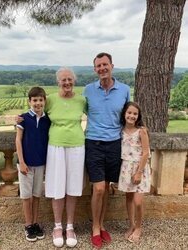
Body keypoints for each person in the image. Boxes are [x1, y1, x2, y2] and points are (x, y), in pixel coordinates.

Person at [83, 52, 130, 248]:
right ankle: (95, 227)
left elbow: (128, 115)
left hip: (115, 143)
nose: (102, 68)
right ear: (95, 69)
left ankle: (102, 225)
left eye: (105, 65)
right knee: (99, 187)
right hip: (93, 143)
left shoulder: (124, 90)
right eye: (98, 66)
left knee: (108, 186)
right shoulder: (87, 90)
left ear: (112, 66)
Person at [45, 67, 86, 248]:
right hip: (55, 147)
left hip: (77, 146)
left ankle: (69, 226)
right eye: (63, 80)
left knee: (72, 187)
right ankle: (57, 226)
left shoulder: (82, 100)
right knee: (56, 187)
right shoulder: (50, 100)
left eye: (70, 79)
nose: (67, 82)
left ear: (74, 81)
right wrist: (19, 120)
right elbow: (35, 113)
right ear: (58, 82)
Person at [15, 86, 51, 242]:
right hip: (26, 164)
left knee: (37, 195)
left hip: (40, 164)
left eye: (40, 100)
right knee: (26, 196)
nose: (37, 103)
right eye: (34, 100)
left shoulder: (47, 120)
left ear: (44, 101)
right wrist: (22, 162)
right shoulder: (23, 118)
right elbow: (18, 140)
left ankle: (36, 223)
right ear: (29, 101)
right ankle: (28, 224)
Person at [118, 101, 151, 243]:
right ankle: (131, 224)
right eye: (129, 112)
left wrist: (138, 172)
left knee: (138, 201)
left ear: (138, 116)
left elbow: (145, 152)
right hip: (126, 168)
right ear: (124, 113)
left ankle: (138, 227)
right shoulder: (120, 130)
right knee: (129, 198)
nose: (131, 116)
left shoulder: (141, 131)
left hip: (139, 168)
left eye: (135, 114)